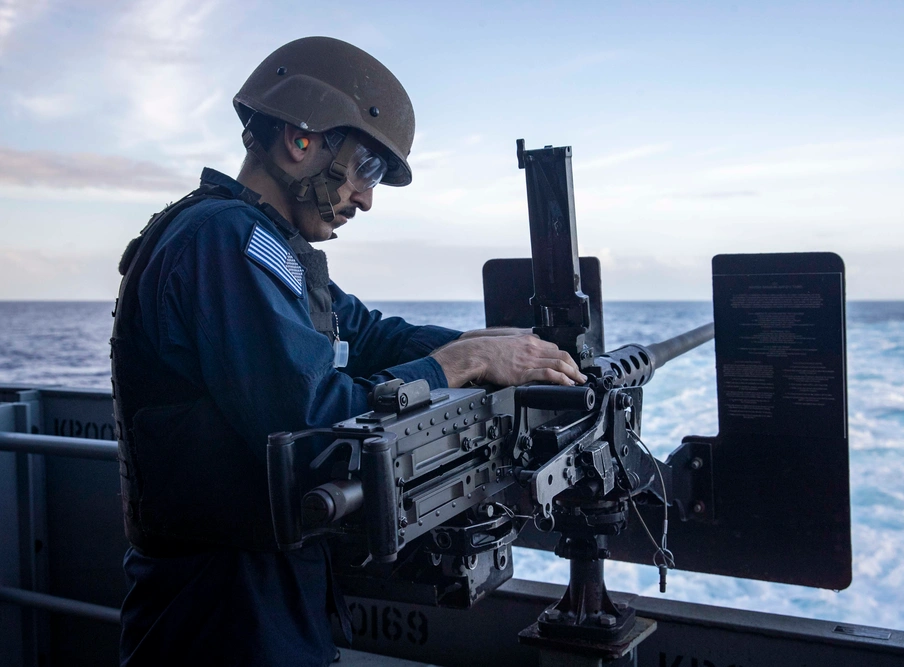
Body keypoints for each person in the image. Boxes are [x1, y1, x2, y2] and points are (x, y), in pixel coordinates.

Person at [110, 36, 585, 666]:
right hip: (221, 607)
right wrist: (463, 364)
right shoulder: (223, 242)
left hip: (262, 588)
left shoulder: (263, 244)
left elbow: (365, 334)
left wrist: (494, 346)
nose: (365, 198)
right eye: (366, 169)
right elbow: (310, 419)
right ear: (300, 140)